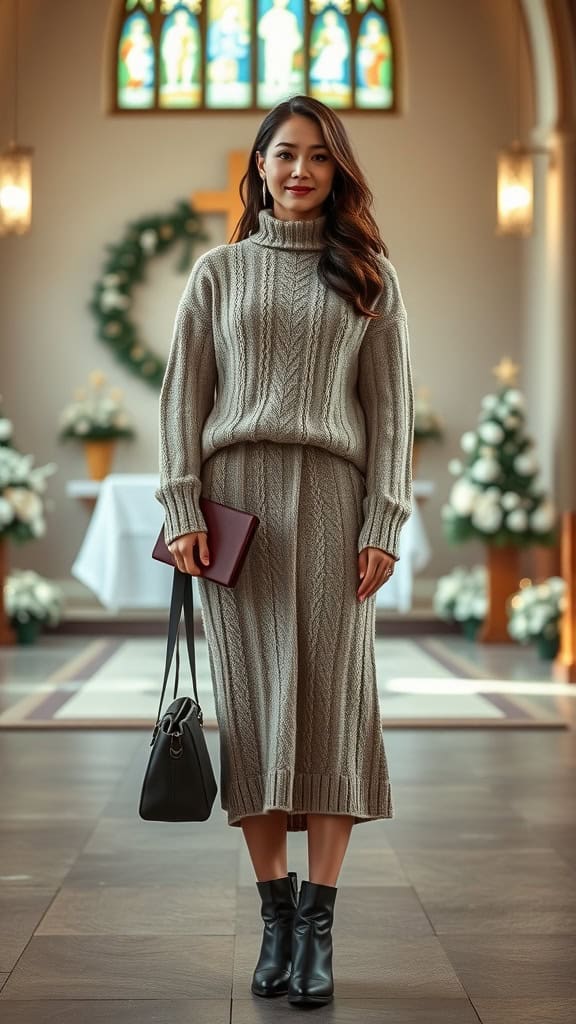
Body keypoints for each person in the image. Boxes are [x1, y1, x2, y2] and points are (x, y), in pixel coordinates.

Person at [155, 93, 414, 1007]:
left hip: (336, 509)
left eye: (316, 156)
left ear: (337, 169)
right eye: (282, 154)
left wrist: (384, 521)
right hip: (238, 513)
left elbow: (393, 415)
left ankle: (320, 926)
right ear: (258, 167)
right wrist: (183, 502)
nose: (299, 169)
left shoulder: (368, 276)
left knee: (335, 710)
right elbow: (183, 397)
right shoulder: (217, 274)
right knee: (257, 709)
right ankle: (274, 917)